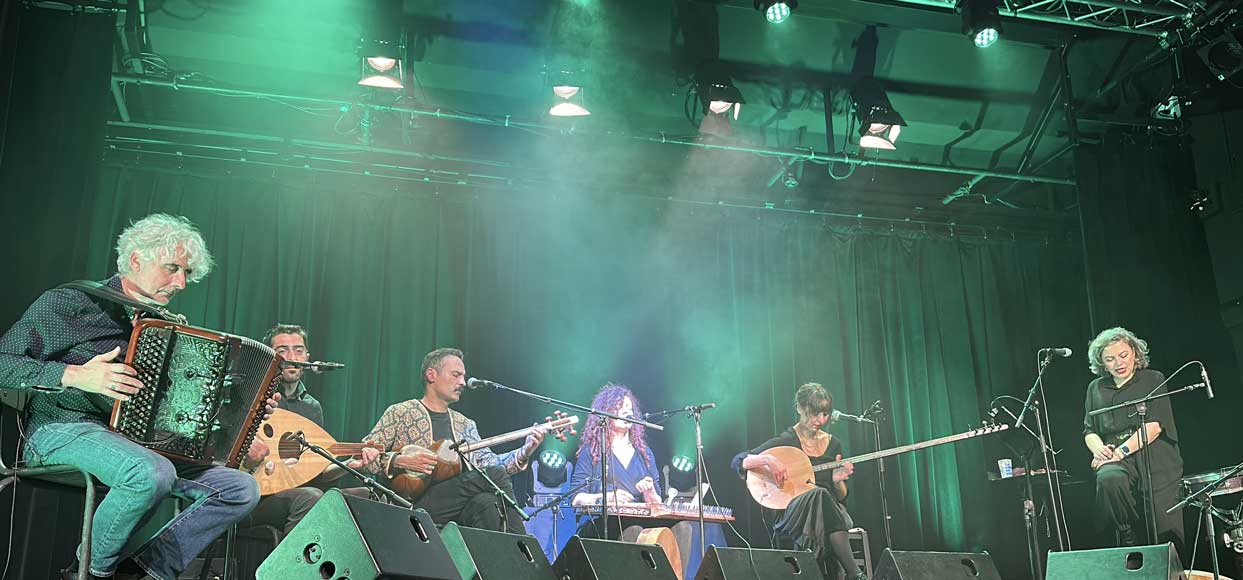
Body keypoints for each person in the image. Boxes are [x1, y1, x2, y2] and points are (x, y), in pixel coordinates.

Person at [0, 213, 278, 580]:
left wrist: (244, 412)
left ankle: (142, 571)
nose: (181, 283)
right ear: (135, 260)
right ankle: (90, 573)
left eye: (186, 273)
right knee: (151, 473)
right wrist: (77, 375)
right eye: (172, 268)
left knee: (239, 488)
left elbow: (182, 410)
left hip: (135, 444)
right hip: (61, 428)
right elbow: (4, 362)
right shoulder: (72, 302)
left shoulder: (168, 327)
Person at [357, 348, 559, 533]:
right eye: (456, 375)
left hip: (453, 507)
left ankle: (503, 558)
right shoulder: (401, 412)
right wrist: (397, 461)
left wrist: (525, 450)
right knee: (493, 479)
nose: (463, 382)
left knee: (488, 502)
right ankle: (523, 545)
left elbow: (490, 465)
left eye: (463, 376)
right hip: (410, 505)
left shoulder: (465, 424)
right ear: (431, 375)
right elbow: (363, 459)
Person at [732, 383, 863, 580]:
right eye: (814, 413)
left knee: (823, 496)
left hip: (829, 513)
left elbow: (841, 497)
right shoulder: (787, 440)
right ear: (799, 408)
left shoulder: (833, 443)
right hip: (793, 512)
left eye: (825, 414)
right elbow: (738, 461)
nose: (820, 420)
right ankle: (854, 573)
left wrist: (837, 482)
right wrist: (768, 460)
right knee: (819, 493)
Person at [1082, 327, 1184, 548]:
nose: (1118, 363)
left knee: (1165, 530)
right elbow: (1089, 430)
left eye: (1123, 355)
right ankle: (1126, 532)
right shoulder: (1095, 388)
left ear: (1135, 353)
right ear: (1102, 363)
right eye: (1110, 359)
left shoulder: (1153, 378)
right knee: (1108, 479)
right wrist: (1098, 450)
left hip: (1154, 455)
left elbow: (1154, 427)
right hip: (1116, 455)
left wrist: (1119, 453)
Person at [239, 324, 330, 537]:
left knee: (364, 495)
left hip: (294, 491)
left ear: (307, 357)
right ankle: (287, 561)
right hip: (253, 497)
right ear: (269, 356)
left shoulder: (312, 407)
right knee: (310, 497)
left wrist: (352, 463)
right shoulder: (252, 394)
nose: (292, 357)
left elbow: (312, 466)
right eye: (282, 350)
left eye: (298, 350)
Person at [569, 383, 663, 536]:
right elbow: (576, 499)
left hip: (639, 520)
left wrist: (649, 492)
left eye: (630, 409)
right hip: (601, 522)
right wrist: (608, 497)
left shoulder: (644, 453)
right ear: (605, 413)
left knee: (682, 527)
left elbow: (657, 503)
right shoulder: (593, 451)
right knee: (633, 530)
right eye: (619, 408)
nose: (627, 412)